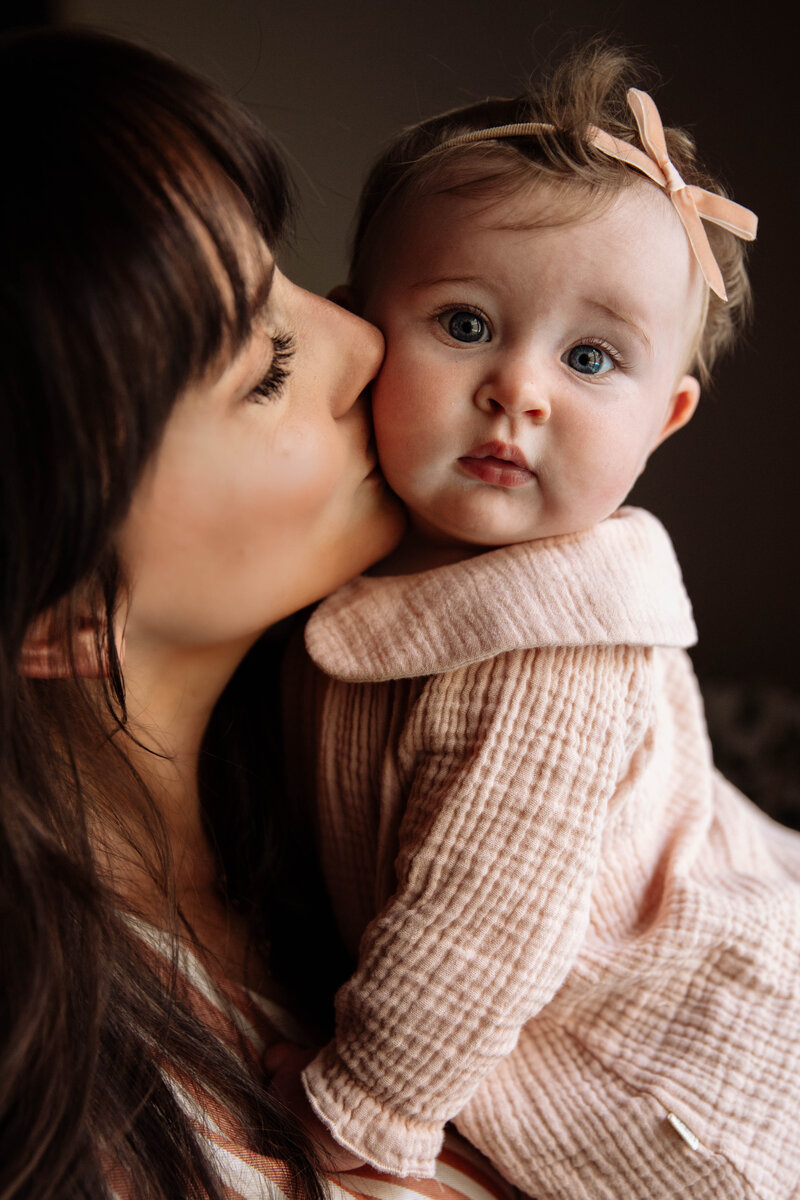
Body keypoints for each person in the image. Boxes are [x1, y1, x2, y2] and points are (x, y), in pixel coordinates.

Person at [0, 26, 523, 1200]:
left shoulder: (381, 744)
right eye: (265, 371)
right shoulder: (82, 1119)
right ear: (59, 605)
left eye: (286, 272)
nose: (360, 336)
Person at [279, 43, 800, 1199]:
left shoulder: (552, 647)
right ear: (361, 330)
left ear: (661, 421)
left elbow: (478, 928)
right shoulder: (347, 551)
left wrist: (365, 1115)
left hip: (663, 1033)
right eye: (463, 324)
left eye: (589, 356)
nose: (520, 388)